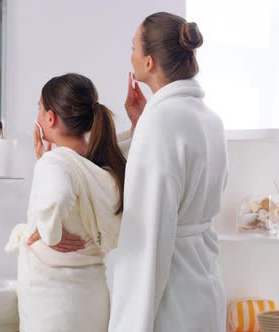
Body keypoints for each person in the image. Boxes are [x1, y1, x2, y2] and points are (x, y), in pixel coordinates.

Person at [108, 12, 228, 331]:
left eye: (133, 46)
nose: (130, 55)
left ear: (148, 62)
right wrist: (140, 124)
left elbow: (148, 234)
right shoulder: (210, 119)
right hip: (206, 288)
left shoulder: (160, 121)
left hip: (171, 302)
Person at [4, 73, 126, 332]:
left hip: (54, 302)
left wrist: (50, 233)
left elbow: (58, 194)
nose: (37, 116)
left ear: (50, 118)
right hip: (93, 297)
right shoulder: (100, 161)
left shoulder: (55, 162)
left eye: (39, 108)